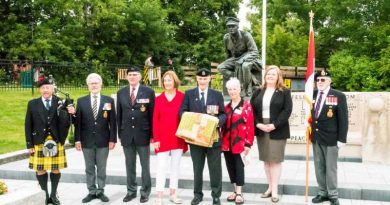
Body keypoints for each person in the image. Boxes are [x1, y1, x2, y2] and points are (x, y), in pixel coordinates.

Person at [179, 68, 226, 205]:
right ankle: (197, 194)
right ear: (197, 79)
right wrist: (191, 118)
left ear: (209, 79)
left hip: (213, 138)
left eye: (205, 78)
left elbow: (223, 114)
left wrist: (218, 121)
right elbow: (182, 111)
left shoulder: (217, 95)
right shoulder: (189, 94)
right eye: (200, 78)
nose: (203, 81)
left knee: (215, 169)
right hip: (196, 138)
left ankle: (216, 195)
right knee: (197, 168)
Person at [25, 77, 75, 205]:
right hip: (39, 141)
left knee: (56, 168)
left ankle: (53, 195)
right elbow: (28, 125)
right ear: (39, 90)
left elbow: (69, 121)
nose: (45, 90)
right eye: (42, 88)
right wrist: (29, 144)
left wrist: (72, 112)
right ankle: (45, 195)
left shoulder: (60, 102)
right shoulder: (32, 103)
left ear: (53, 89)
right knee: (40, 169)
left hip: (56, 140)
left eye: (48, 87)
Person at [250, 65, 292, 203]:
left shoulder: (284, 92)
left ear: (278, 76)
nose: (270, 76)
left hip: (277, 129)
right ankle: (269, 187)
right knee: (266, 160)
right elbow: (252, 110)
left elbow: (287, 111)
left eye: (273, 74)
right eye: (268, 74)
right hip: (262, 128)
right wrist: (257, 124)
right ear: (265, 76)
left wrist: (274, 125)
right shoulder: (258, 91)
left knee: (275, 160)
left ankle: (275, 190)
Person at [74, 73, 117, 203]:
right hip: (86, 141)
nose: (94, 85)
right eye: (91, 83)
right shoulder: (81, 101)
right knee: (89, 167)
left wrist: (112, 139)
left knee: (102, 167)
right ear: (88, 85)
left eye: (96, 83)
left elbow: (112, 121)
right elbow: (78, 123)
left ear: (101, 85)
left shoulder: (108, 100)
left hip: (103, 140)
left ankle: (101, 190)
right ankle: (92, 191)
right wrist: (77, 139)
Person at [116, 66, 155, 203]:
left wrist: (153, 134)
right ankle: (131, 191)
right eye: (130, 75)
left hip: (143, 134)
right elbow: (119, 114)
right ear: (127, 77)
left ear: (140, 77)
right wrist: (119, 133)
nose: (132, 77)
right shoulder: (121, 92)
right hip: (127, 134)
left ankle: (145, 192)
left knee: (145, 165)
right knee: (129, 164)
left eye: (135, 74)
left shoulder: (149, 91)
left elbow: (152, 114)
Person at [311, 70, 348, 205]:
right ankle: (322, 192)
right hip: (316, 137)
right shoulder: (312, 94)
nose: (320, 82)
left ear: (330, 81)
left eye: (323, 80)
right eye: (318, 80)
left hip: (332, 138)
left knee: (331, 167)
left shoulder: (338, 96)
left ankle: (333, 194)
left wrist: (342, 139)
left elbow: (343, 119)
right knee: (319, 166)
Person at [152, 71, 188, 205]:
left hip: (178, 137)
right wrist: (156, 139)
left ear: (175, 81)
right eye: (165, 80)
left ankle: (173, 194)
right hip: (162, 138)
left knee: (175, 167)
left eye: (169, 80)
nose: (167, 82)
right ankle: (159, 196)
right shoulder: (158, 99)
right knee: (161, 167)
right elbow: (155, 120)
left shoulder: (182, 97)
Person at [221, 77, 254, 204]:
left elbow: (250, 126)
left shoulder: (247, 106)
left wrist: (248, 144)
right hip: (226, 144)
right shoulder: (226, 107)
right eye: (230, 89)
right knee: (230, 167)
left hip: (240, 144)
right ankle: (235, 191)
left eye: (234, 88)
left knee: (239, 167)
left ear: (239, 89)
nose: (232, 91)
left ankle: (239, 193)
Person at [217, 17, 262, 97]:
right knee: (220, 67)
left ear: (237, 26)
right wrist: (228, 63)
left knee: (245, 66)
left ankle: (244, 87)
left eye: (233, 26)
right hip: (235, 59)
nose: (231, 28)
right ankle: (238, 77)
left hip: (248, 58)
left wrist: (243, 59)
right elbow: (228, 53)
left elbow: (254, 51)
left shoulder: (246, 35)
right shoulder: (226, 38)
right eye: (229, 26)